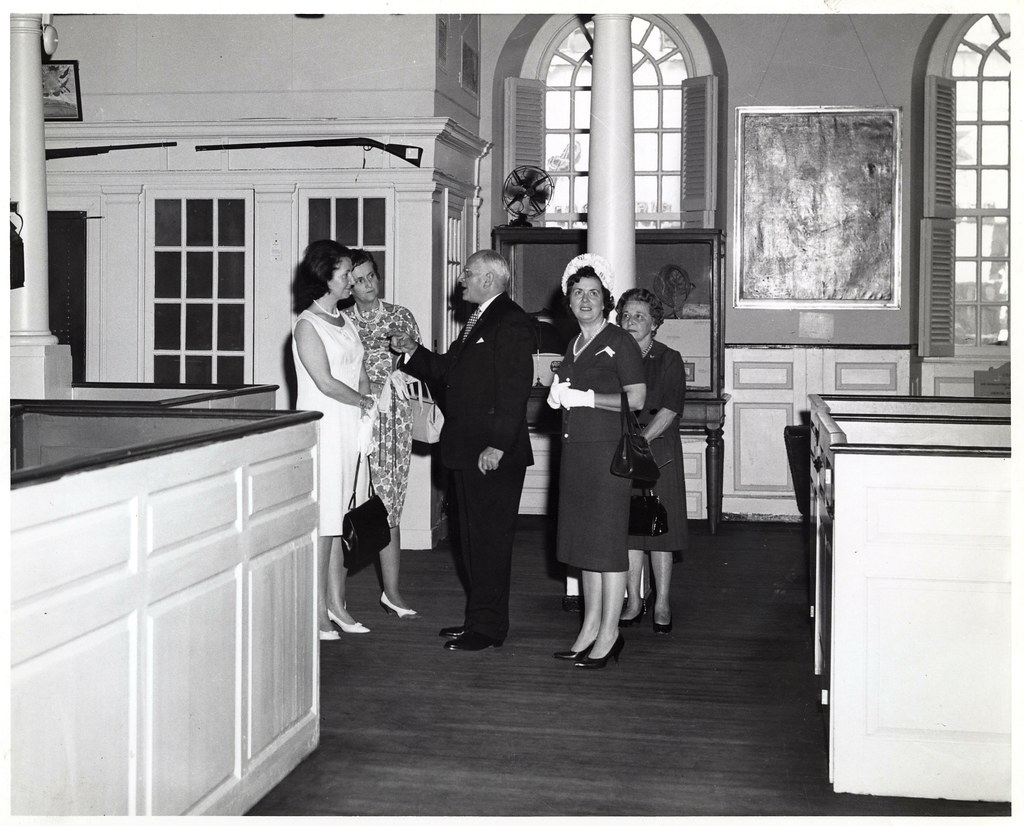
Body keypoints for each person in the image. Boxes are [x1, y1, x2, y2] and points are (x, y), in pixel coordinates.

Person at [389, 249, 535, 652]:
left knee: (488, 542)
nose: (462, 280)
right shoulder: (479, 320)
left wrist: (498, 445)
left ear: (489, 279)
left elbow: (514, 389)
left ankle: (487, 629)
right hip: (467, 450)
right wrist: (411, 351)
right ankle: (479, 620)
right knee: (472, 541)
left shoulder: (511, 322)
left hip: (491, 454)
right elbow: (449, 375)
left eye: (467, 274)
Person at [547, 253, 646, 668]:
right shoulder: (573, 342)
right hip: (576, 456)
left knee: (605, 549)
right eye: (577, 293)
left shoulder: (619, 340)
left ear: (605, 300)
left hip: (607, 456)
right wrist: (558, 391)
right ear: (568, 300)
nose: (585, 300)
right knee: (585, 548)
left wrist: (586, 398)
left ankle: (610, 632)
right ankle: (588, 627)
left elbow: (637, 399)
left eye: (593, 294)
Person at [292, 239, 376, 638]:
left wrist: (368, 401)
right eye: (345, 274)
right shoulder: (306, 325)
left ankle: (338, 605)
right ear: (325, 276)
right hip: (326, 429)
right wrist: (363, 400)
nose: (351, 281)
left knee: (343, 520)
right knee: (325, 521)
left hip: (352, 429)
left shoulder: (345, 320)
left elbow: (357, 368)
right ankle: (315, 613)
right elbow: (325, 383)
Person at [348, 248, 420, 619]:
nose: (367, 285)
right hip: (354, 418)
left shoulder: (400, 316)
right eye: (358, 280)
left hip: (392, 419)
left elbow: (417, 365)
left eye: (371, 277)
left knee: (389, 503)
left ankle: (392, 592)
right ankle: (334, 598)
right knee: (346, 503)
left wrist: (400, 366)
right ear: (348, 285)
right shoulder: (341, 321)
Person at [615, 288, 689, 634]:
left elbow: (671, 409)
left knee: (660, 532)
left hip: (657, 451)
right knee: (629, 531)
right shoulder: (613, 355)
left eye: (640, 316)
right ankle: (633, 601)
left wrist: (640, 442)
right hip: (623, 451)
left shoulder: (668, 358)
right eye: (626, 315)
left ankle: (661, 602)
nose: (631, 321)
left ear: (655, 323)